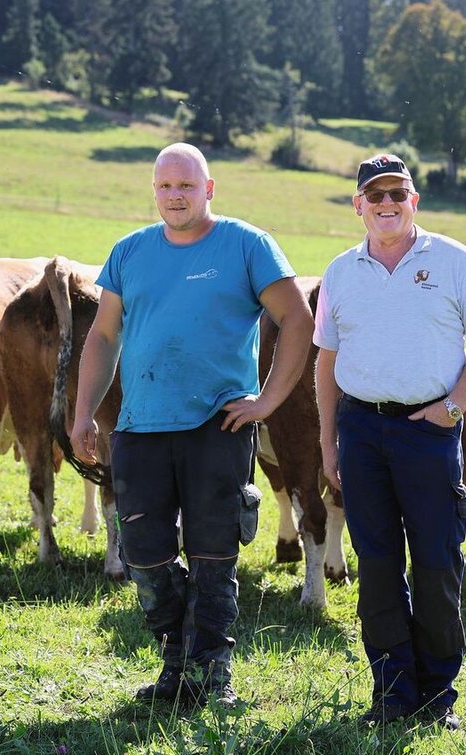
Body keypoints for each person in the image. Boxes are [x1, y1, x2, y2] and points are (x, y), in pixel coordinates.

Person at [70, 142, 313, 708]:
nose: (175, 195)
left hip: (217, 424)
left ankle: (211, 675)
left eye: (186, 185)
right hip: (140, 425)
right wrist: (82, 413)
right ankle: (178, 662)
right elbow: (103, 336)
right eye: (165, 186)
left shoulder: (247, 245)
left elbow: (297, 320)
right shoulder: (130, 251)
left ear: (209, 189)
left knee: (213, 555)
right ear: (154, 191)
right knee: (143, 554)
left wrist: (267, 402)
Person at [314, 154, 466, 730]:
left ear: (414, 201)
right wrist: (328, 441)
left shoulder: (452, 260)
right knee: (376, 565)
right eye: (375, 195)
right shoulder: (340, 272)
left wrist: (452, 409)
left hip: (429, 431)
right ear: (358, 206)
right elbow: (326, 361)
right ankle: (392, 693)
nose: (387, 203)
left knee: (437, 561)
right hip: (361, 430)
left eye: (398, 193)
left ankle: (436, 696)